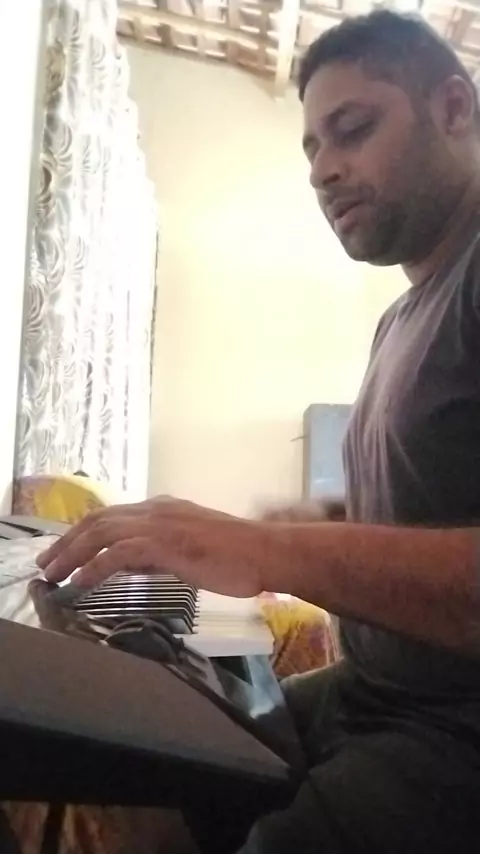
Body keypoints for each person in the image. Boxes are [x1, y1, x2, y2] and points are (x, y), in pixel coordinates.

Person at [35, 10, 480, 853]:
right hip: (370, 692)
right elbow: (434, 497)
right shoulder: (399, 320)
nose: (324, 170)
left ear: (454, 108)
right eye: (311, 148)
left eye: (354, 129)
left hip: (454, 727)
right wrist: (262, 527)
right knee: (163, 744)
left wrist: (266, 551)